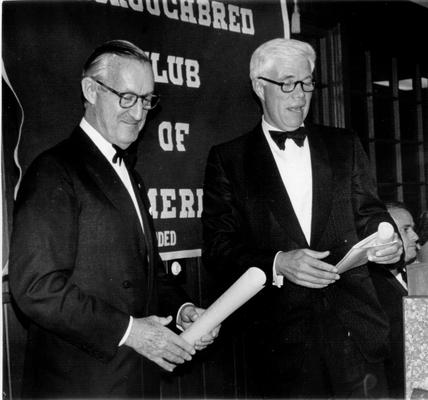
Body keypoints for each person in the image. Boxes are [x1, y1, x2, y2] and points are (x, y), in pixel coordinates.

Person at [9, 40, 219, 399]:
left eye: (147, 100)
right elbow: (35, 288)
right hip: (81, 386)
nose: (138, 113)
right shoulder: (54, 170)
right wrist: (130, 331)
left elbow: (143, 273)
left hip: (133, 381)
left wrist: (182, 310)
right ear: (90, 90)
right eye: (127, 97)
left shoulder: (129, 173)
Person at [202, 38, 403, 399]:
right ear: (259, 87)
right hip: (281, 347)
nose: (300, 95)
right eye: (288, 83)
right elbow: (218, 248)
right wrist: (278, 262)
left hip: (356, 335)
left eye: (308, 83)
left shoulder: (344, 145)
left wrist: (388, 243)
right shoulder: (229, 160)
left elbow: (370, 214)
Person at [370, 201, 419, 399]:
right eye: (406, 230)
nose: (415, 236)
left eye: (413, 229)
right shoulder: (372, 289)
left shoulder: (414, 275)